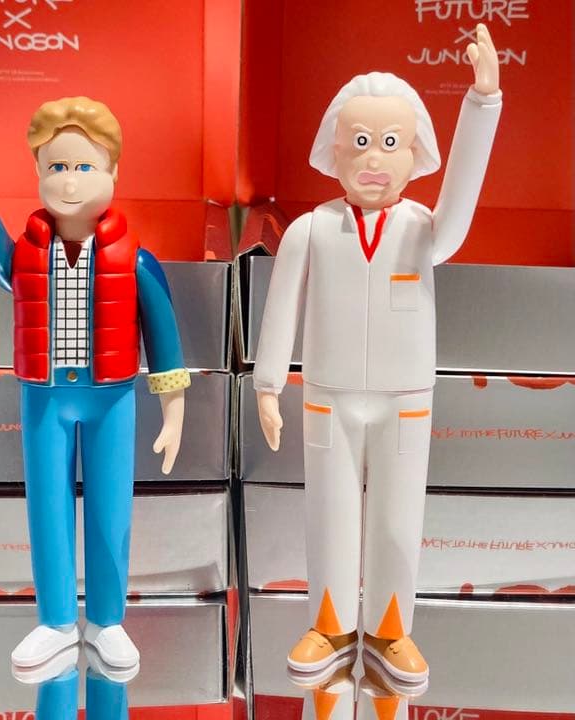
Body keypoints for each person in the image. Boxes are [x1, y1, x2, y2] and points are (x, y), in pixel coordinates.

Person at [253, 24, 501, 684]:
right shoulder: (310, 230)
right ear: (333, 149)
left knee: (397, 516)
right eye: (360, 141)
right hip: (327, 397)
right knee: (328, 513)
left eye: (391, 143)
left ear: (415, 153)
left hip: (405, 399)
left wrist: (483, 103)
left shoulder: (424, 230)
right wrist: (267, 385)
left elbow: (461, 204)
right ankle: (330, 626)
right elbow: (281, 310)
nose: (373, 158)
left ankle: (392, 631)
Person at [0, 96, 190, 669]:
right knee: (47, 508)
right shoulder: (28, 256)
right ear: (37, 172)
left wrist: (173, 412)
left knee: (109, 510)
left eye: (84, 166)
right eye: (57, 166)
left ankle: (107, 619)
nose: (70, 181)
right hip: (44, 398)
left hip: (112, 400)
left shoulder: (136, 260)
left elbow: (165, 340)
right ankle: (54, 620)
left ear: (113, 171)